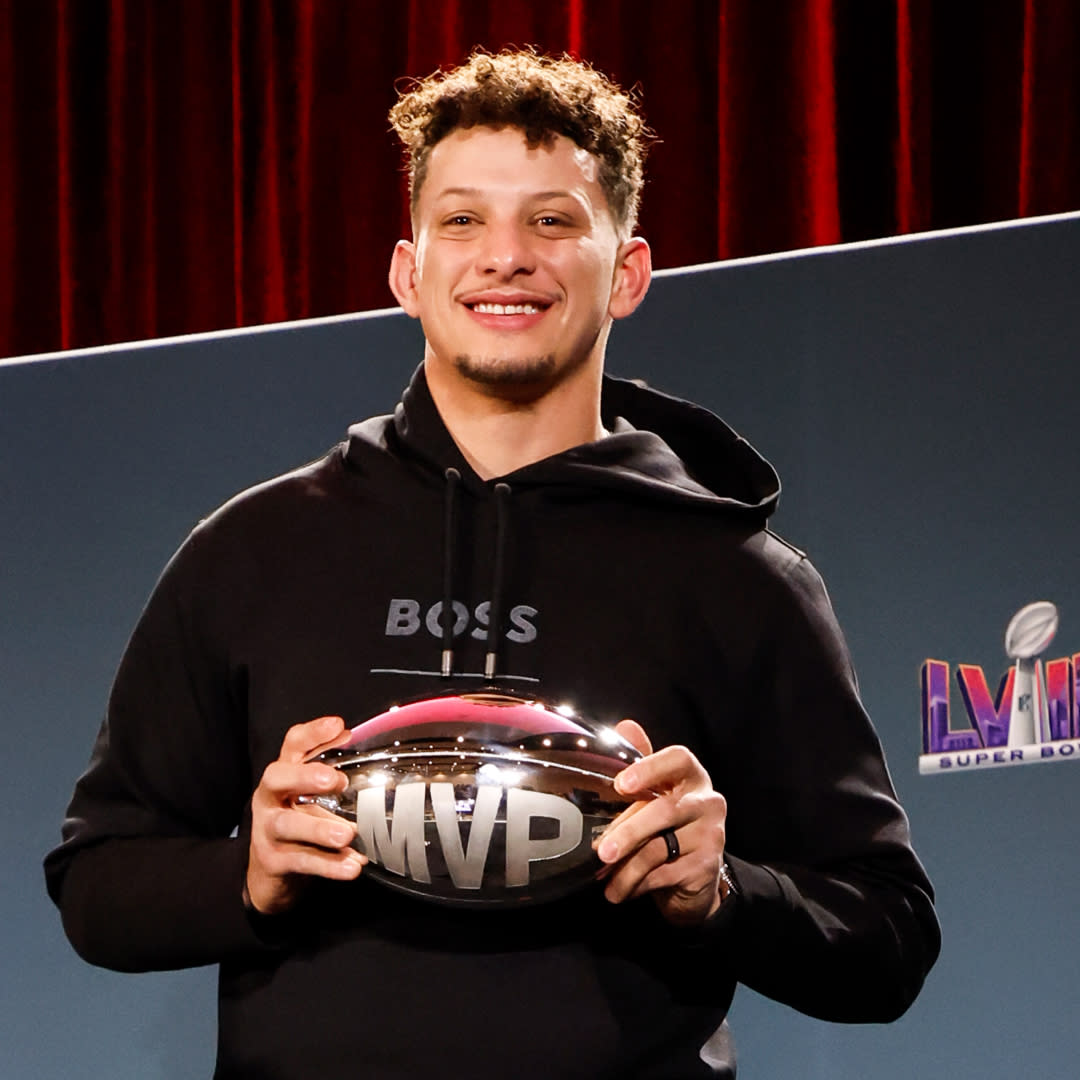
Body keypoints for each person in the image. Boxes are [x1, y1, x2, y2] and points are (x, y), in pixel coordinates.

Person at [46, 49, 939, 1078]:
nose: (503, 257)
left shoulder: (739, 576)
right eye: (462, 221)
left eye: (552, 221)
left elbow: (889, 941)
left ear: (630, 273)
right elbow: (97, 885)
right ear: (407, 272)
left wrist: (725, 890)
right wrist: (248, 874)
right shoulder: (255, 550)